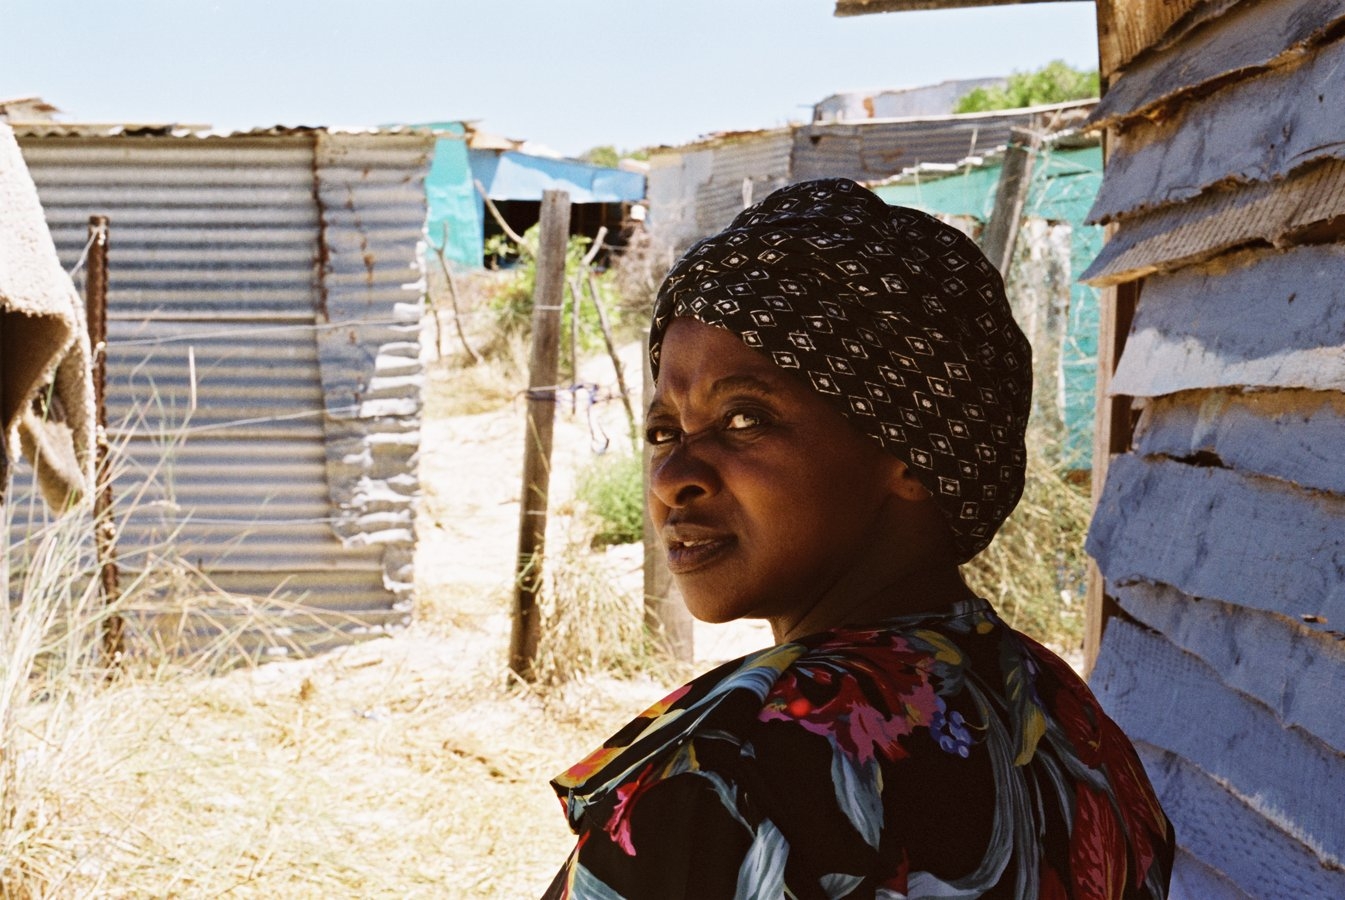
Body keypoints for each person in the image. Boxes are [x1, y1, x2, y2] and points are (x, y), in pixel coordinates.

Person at [542, 178, 1174, 899]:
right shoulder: (1070, 730)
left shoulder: (731, 774)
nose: (670, 478)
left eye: (744, 418)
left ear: (910, 449)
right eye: (663, 432)